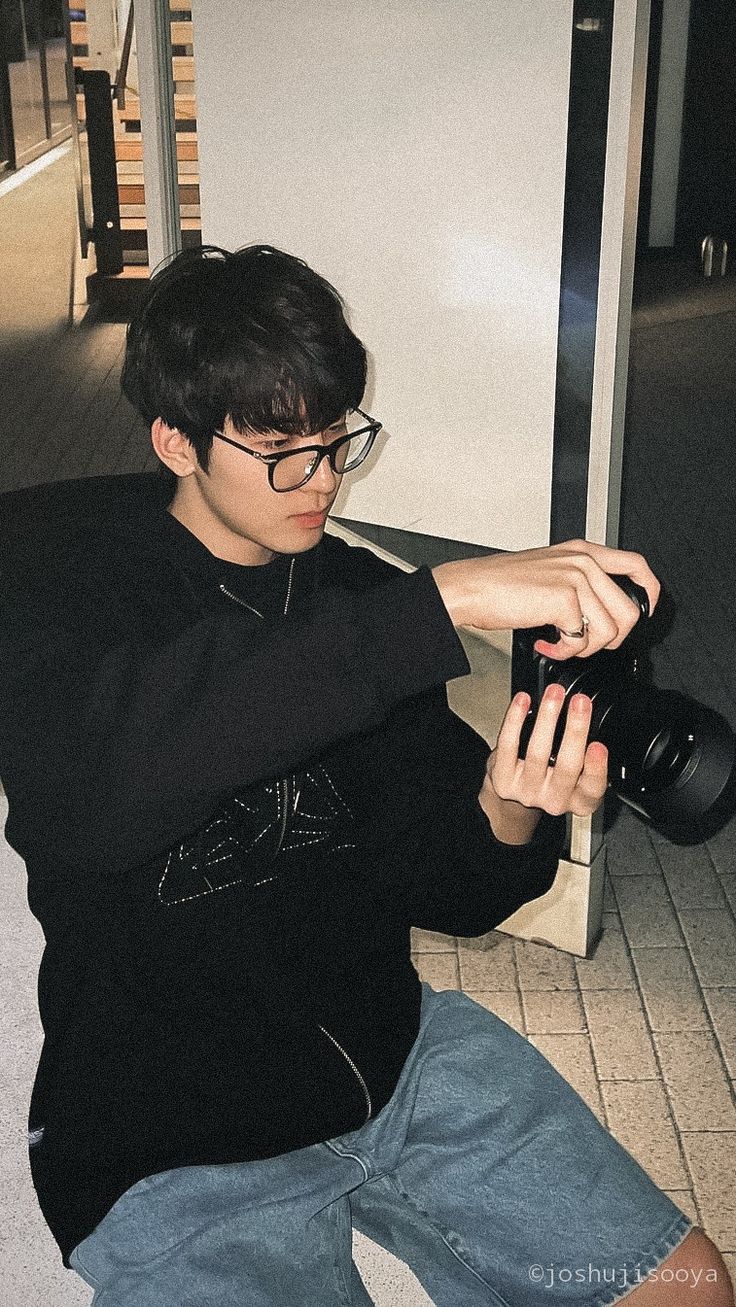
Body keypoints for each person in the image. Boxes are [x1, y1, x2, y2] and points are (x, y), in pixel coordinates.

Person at [0, 244, 730, 1307]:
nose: (327, 476)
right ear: (176, 441)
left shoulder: (348, 598)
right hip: (175, 1134)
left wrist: (508, 809)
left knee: (689, 1287)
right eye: (281, 449)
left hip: (398, 1060)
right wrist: (435, 606)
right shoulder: (62, 592)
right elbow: (97, 791)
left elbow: (446, 884)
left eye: (337, 437)